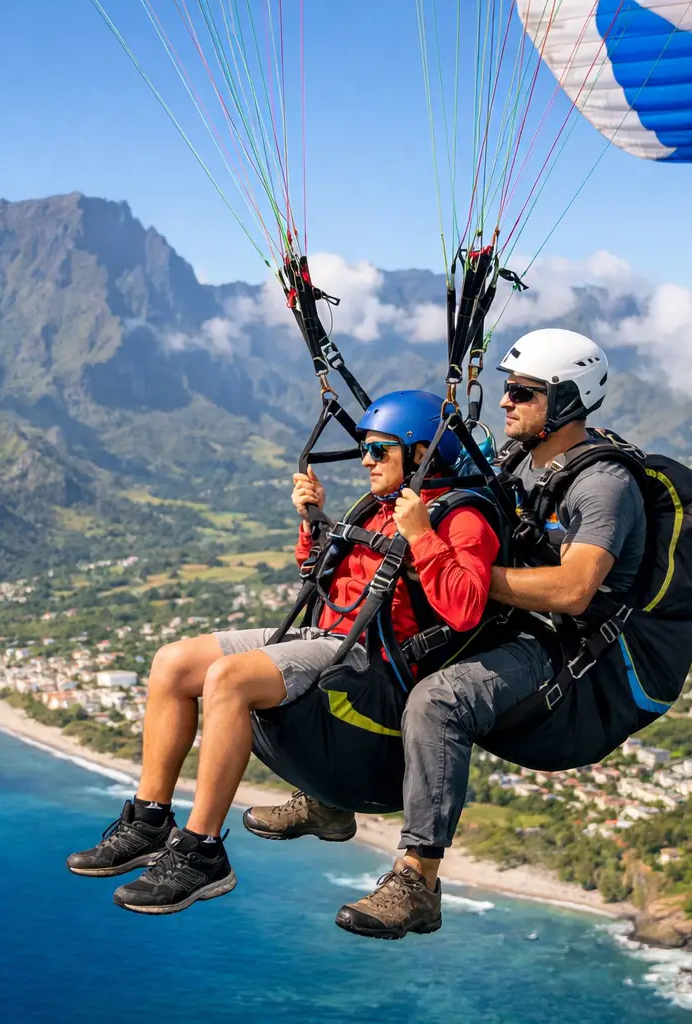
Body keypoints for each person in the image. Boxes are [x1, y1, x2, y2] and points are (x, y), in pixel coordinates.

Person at [245, 328, 649, 940]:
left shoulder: (602, 485)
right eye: (506, 388)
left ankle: (418, 883)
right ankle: (332, 789)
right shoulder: (518, 461)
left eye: (523, 392)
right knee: (367, 647)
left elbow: (573, 591)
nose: (506, 401)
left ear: (566, 400)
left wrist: (454, 568)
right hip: (500, 621)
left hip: (556, 644)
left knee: (440, 698)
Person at [65, 390, 500, 915]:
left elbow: (466, 609)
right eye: (364, 448)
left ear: (422, 453)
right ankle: (150, 820)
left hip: (369, 663)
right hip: (326, 636)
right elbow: (326, 578)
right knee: (172, 663)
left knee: (228, 679)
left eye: (379, 450)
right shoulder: (383, 507)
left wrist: (423, 537)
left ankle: (203, 853)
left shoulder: (459, 519)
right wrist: (313, 522)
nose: (365, 461)